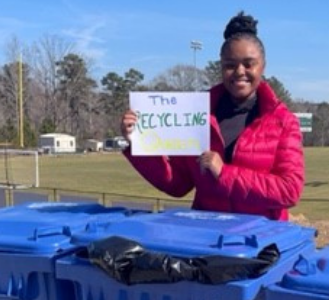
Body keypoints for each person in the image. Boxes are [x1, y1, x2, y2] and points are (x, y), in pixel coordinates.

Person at [122, 12, 304, 220]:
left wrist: (224, 173)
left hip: (260, 236)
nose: (239, 71)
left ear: (263, 65)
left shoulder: (283, 121)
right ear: (221, 66)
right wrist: (138, 142)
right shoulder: (197, 114)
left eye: (248, 64)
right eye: (230, 65)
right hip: (208, 234)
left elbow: (290, 190)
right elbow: (177, 184)